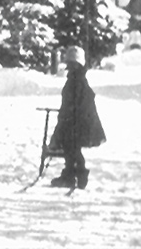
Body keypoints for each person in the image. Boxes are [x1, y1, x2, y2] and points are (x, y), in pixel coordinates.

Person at [48, 46, 106, 189]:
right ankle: (72, 173)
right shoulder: (76, 80)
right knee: (71, 148)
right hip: (76, 121)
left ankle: (77, 174)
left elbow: (75, 104)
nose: (70, 67)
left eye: (72, 64)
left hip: (77, 122)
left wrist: (65, 120)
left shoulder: (77, 82)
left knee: (71, 146)